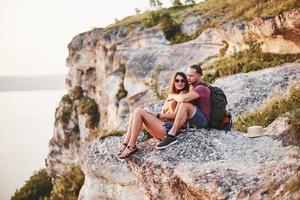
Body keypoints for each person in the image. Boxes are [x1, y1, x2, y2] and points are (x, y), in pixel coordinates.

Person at [117, 72, 189, 159]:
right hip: (162, 126)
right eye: (177, 80)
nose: (180, 83)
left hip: (169, 129)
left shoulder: (183, 94)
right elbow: (167, 112)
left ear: (185, 83)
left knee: (139, 111)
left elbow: (176, 115)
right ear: (173, 82)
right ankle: (126, 144)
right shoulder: (172, 95)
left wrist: (157, 115)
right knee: (136, 110)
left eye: (182, 81)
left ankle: (131, 146)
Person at [156, 64, 211, 149]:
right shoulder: (192, 87)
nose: (188, 78)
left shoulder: (201, 88)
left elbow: (183, 99)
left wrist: (173, 96)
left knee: (185, 105)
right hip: (196, 119)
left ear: (199, 76)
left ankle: (171, 135)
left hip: (204, 121)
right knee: (184, 105)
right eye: (187, 75)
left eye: (191, 76)